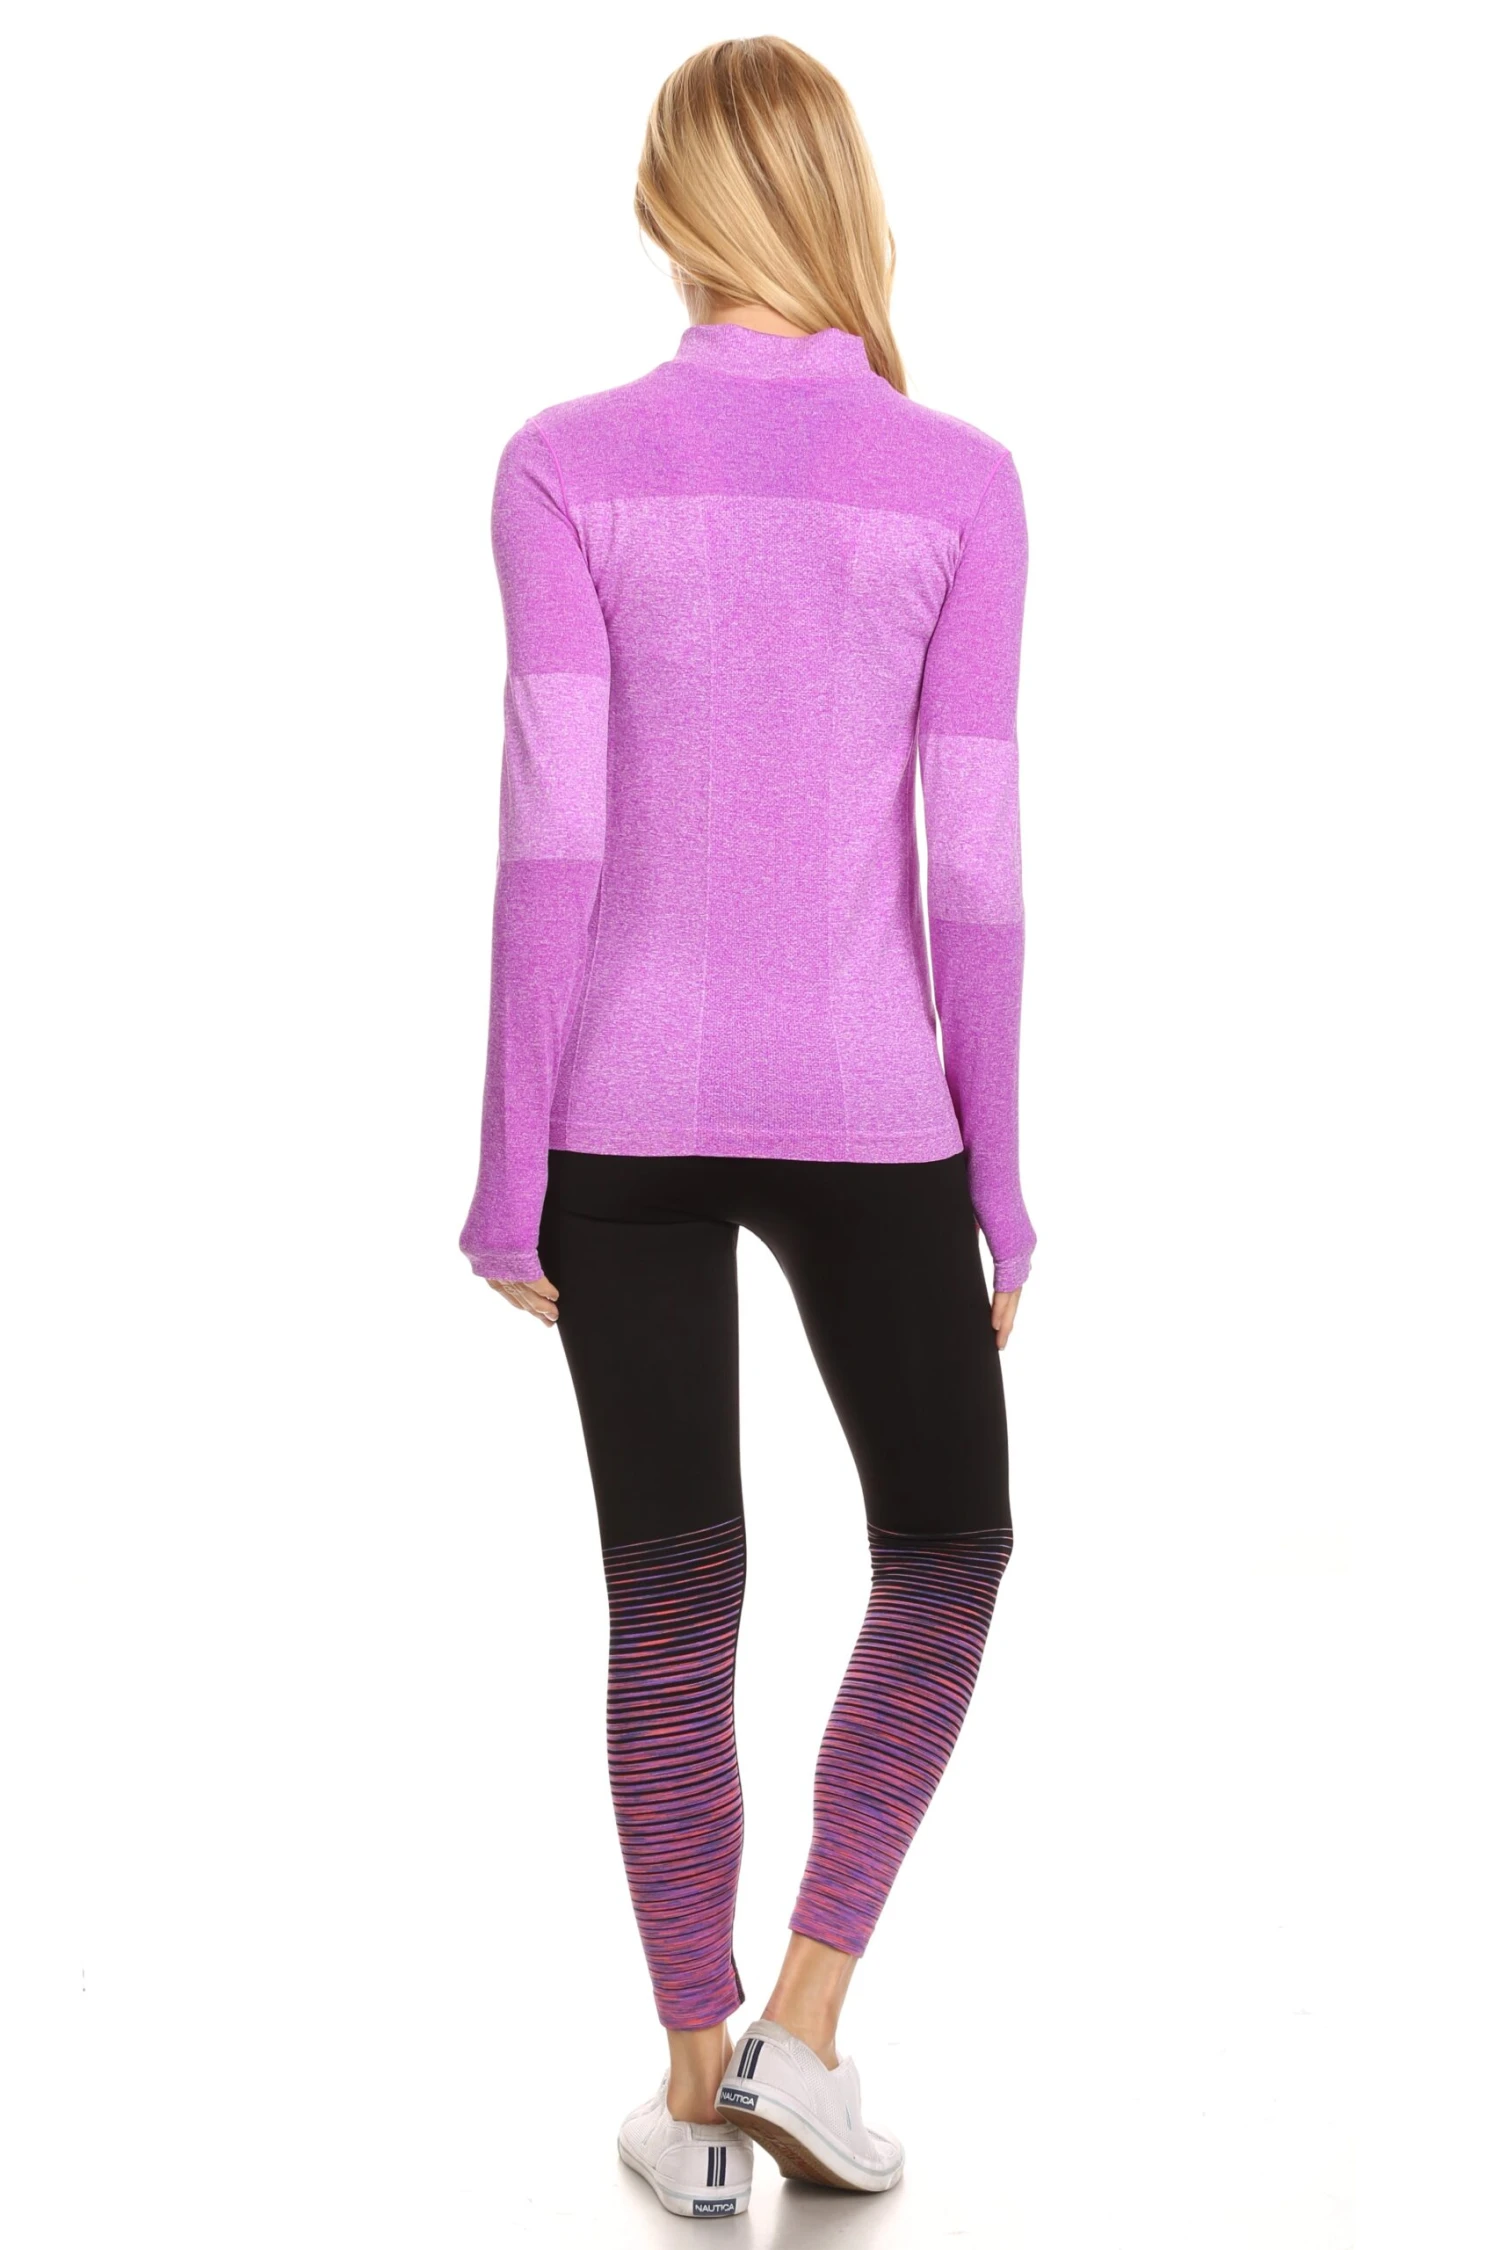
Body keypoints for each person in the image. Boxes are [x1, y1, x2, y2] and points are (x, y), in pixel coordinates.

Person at [460, 35, 1034, 2220]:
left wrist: (509, 1162)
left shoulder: (562, 464)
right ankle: (805, 2014)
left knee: (674, 1585)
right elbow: (977, 864)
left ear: (669, 207)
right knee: (948, 1549)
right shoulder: (960, 480)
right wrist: (999, 1172)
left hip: (617, 1109)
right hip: (877, 1105)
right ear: (841, 199)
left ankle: (701, 2090)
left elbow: (551, 836)